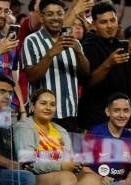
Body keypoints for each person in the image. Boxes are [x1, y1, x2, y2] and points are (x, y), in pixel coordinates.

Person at [13, 88, 103, 185]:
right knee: (67, 178)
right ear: (32, 106)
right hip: (34, 176)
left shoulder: (61, 130)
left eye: (52, 104)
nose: (48, 108)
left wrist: (75, 165)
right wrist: (60, 166)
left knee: (93, 181)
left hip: (62, 173)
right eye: (43, 103)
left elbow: (68, 159)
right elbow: (28, 163)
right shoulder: (24, 126)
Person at [20, 0, 90, 131]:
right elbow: (32, 77)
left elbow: (85, 74)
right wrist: (50, 54)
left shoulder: (73, 41)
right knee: (42, 152)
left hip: (70, 113)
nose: (56, 18)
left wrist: (78, 53)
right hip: (42, 115)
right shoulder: (31, 41)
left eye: (59, 14)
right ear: (41, 17)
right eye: (50, 14)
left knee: (67, 152)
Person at [77, 2, 131, 132]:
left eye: (113, 20)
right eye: (104, 22)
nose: (110, 26)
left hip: (121, 118)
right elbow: (88, 83)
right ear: (94, 25)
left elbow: (129, 84)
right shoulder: (89, 46)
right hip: (96, 118)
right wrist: (108, 64)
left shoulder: (121, 45)